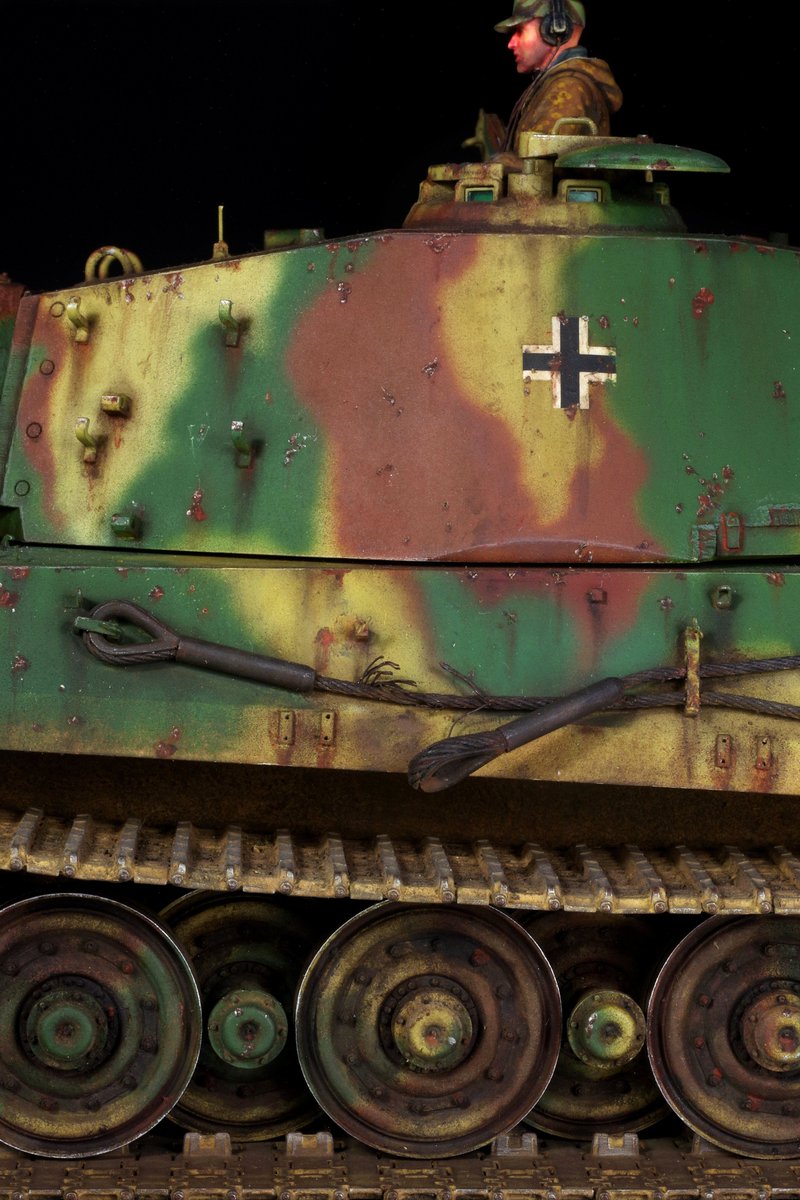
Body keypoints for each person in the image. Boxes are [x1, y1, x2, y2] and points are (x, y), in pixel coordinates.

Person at [495, 0, 622, 151]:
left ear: (554, 30)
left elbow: (537, 158)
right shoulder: (552, 83)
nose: (511, 43)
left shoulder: (569, 87)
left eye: (520, 31)